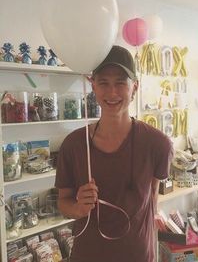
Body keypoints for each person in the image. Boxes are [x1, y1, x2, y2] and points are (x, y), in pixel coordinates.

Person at [55, 45, 173, 262]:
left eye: (120, 82)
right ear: (93, 86)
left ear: (135, 87)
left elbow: (152, 196)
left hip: (137, 255)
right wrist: (79, 208)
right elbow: (63, 202)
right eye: (103, 83)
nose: (112, 93)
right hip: (88, 255)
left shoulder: (158, 144)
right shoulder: (73, 145)